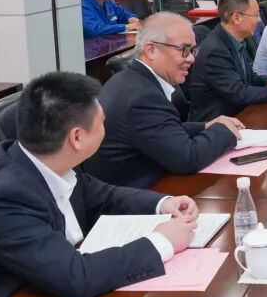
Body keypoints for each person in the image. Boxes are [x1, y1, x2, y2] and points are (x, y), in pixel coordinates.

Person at [0, 72, 200, 297]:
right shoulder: (1, 200)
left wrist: (162, 204)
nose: (106, 128)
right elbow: (77, 277)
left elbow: (102, 196)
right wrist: (161, 241)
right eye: (102, 123)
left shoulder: (42, 159)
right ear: (77, 137)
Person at [85, 12, 243, 189]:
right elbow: (189, 158)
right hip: (139, 195)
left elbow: (161, 131)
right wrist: (223, 131)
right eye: (184, 49)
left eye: (192, 50)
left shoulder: (128, 79)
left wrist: (206, 126)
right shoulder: (142, 98)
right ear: (151, 50)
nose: (191, 58)